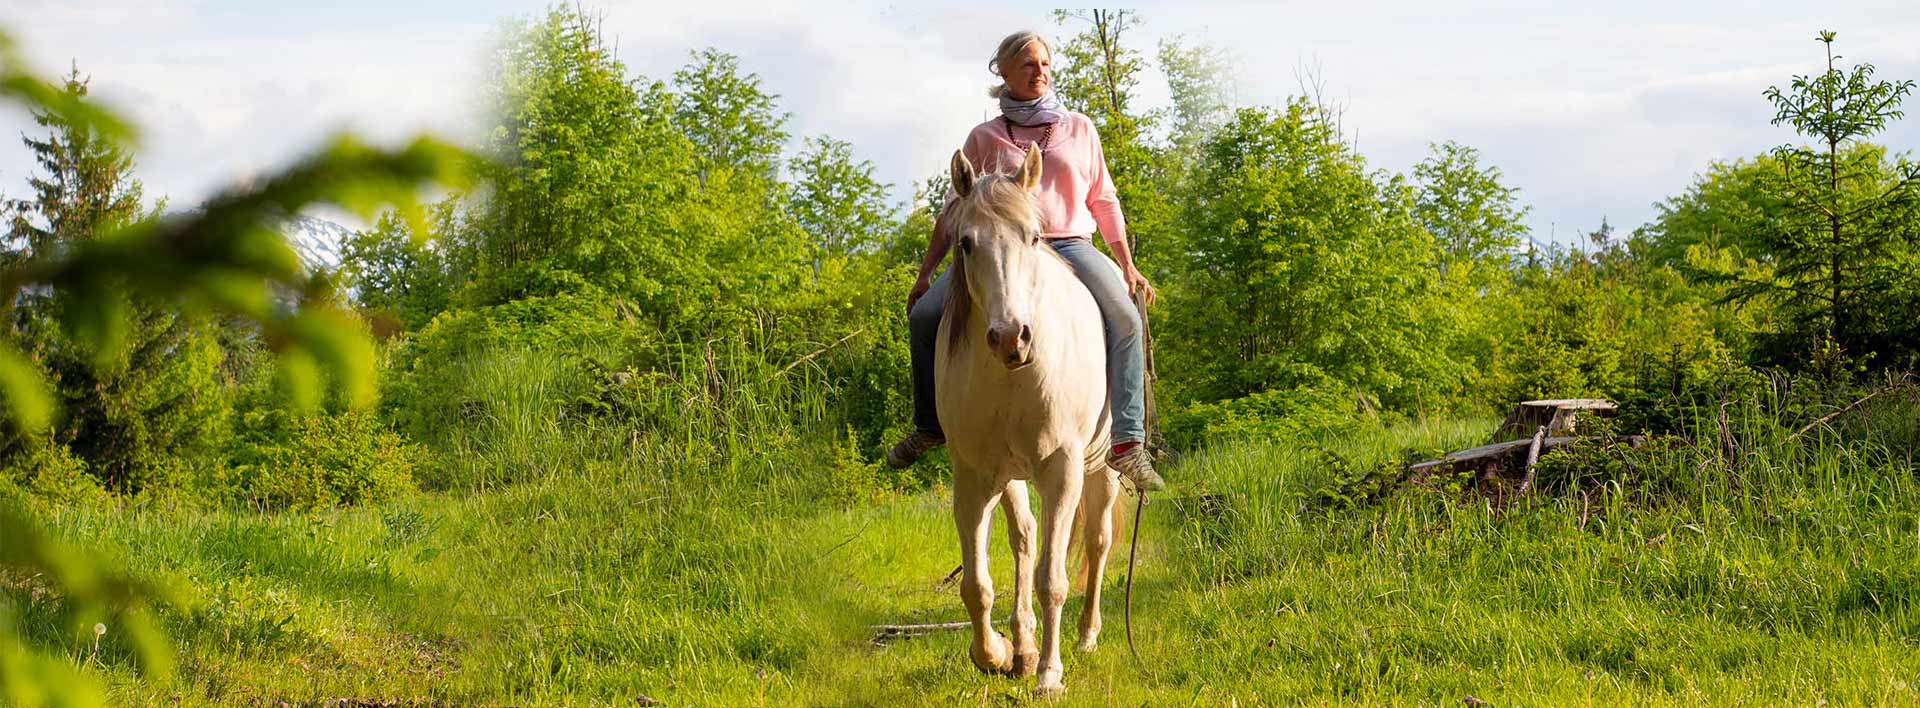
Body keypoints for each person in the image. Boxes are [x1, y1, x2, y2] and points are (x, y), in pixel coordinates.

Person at [886, 30, 1165, 492]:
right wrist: (925, 271)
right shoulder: (984, 137)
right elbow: (954, 211)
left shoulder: (1079, 128)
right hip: (999, 249)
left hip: (1069, 243)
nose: (1040, 71)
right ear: (1004, 73)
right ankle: (929, 425)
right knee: (925, 316)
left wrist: (1126, 263)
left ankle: (1128, 442)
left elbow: (1104, 199)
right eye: (1029, 64)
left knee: (1125, 317)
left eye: (1045, 64)